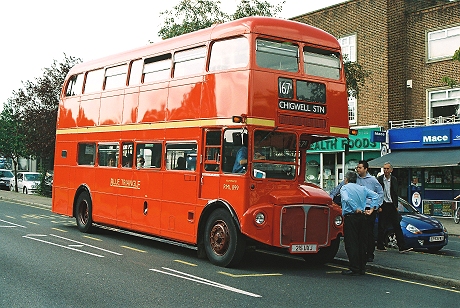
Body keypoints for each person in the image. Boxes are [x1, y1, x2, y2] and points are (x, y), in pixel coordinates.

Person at [340, 171, 380, 276]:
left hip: (351, 217)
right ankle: (362, 267)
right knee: (362, 243)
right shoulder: (362, 188)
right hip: (363, 217)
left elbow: (346, 198)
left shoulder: (344, 188)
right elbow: (376, 196)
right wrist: (372, 208)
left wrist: (355, 208)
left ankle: (354, 267)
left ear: (346, 179)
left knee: (351, 243)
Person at [376, 162, 413, 253]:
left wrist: (396, 206)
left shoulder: (394, 180)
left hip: (391, 205)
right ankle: (380, 245)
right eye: (384, 168)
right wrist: (379, 206)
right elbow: (377, 193)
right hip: (383, 205)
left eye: (387, 169)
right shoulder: (380, 179)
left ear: (391, 170)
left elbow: (395, 193)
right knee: (382, 226)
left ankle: (402, 247)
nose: (385, 170)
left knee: (397, 225)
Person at [356, 160, 384, 262]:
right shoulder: (355, 179)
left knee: (368, 233)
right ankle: (361, 253)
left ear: (365, 169)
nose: (357, 169)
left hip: (369, 209)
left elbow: (380, 192)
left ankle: (369, 254)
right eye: (357, 167)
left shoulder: (373, 180)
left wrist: (375, 206)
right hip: (359, 209)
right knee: (359, 233)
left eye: (360, 167)